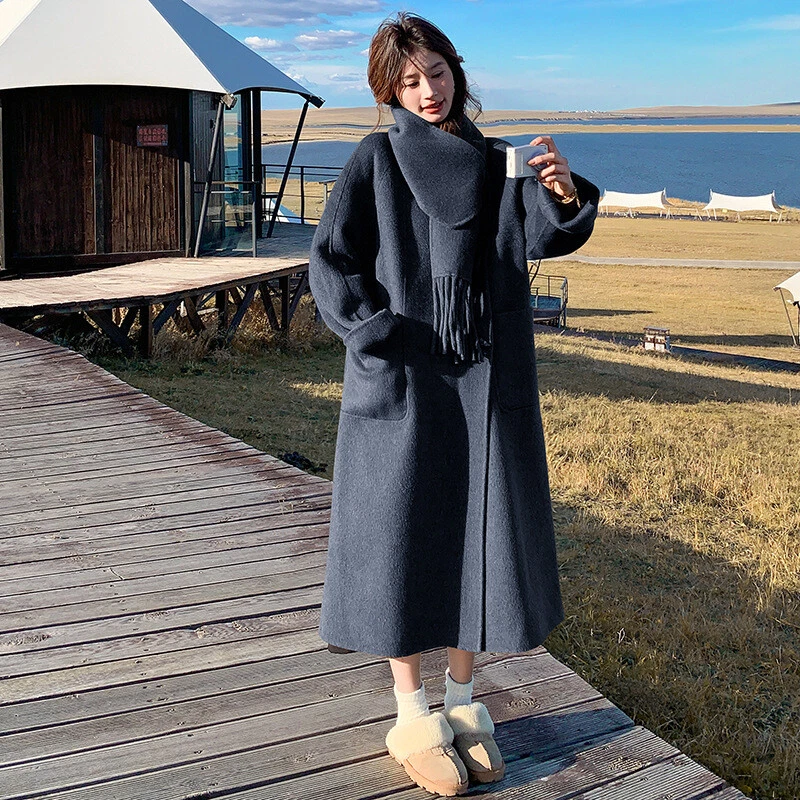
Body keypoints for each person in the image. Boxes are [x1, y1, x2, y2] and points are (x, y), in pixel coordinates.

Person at [308, 12, 599, 797]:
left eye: (436, 72)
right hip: (405, 377)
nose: (427, 91)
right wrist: (373, 331)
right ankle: (411, 716)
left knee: (480, 534)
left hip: (487, 377)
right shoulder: (375, 158)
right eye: (409, 80)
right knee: (398, 537)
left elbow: (537, 236)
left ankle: (464, 704)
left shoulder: (495, 158)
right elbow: (331, 259)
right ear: (389, 88)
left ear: (455, 72)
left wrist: (562, 193)